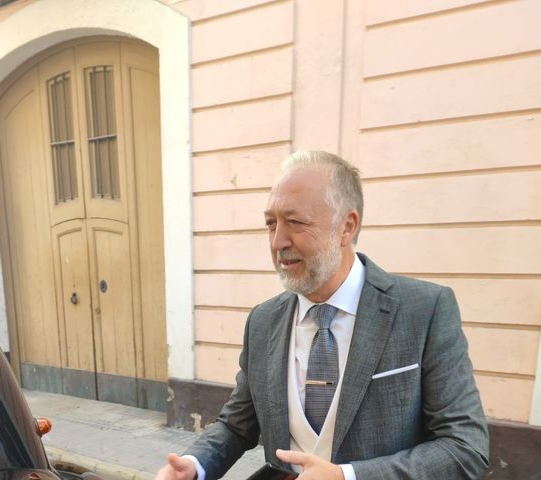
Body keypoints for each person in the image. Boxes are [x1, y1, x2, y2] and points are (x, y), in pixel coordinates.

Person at [155, 151, 489, 480]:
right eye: (271, 223)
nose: (277, 241)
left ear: (347, 226)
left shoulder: (424, 310)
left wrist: (348, 477)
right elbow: (237, 424)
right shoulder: (263, 321)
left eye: (295, 222)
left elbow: (465, 448)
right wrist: (193, 465)